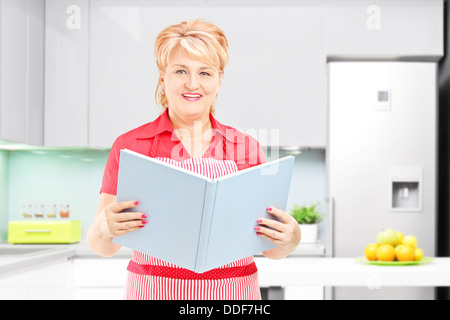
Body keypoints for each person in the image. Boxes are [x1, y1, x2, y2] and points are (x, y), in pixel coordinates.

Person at [87, 19, 301, 300]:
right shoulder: (130, 146)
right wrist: (104, 228)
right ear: (163, 78)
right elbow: (105, 246)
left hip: (232, 295)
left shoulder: (245, 147)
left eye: (205, 73)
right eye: (180, 71)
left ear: (219, 81)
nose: (192, 84)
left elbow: (273, 249)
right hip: (153, 292)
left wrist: (292, 236)